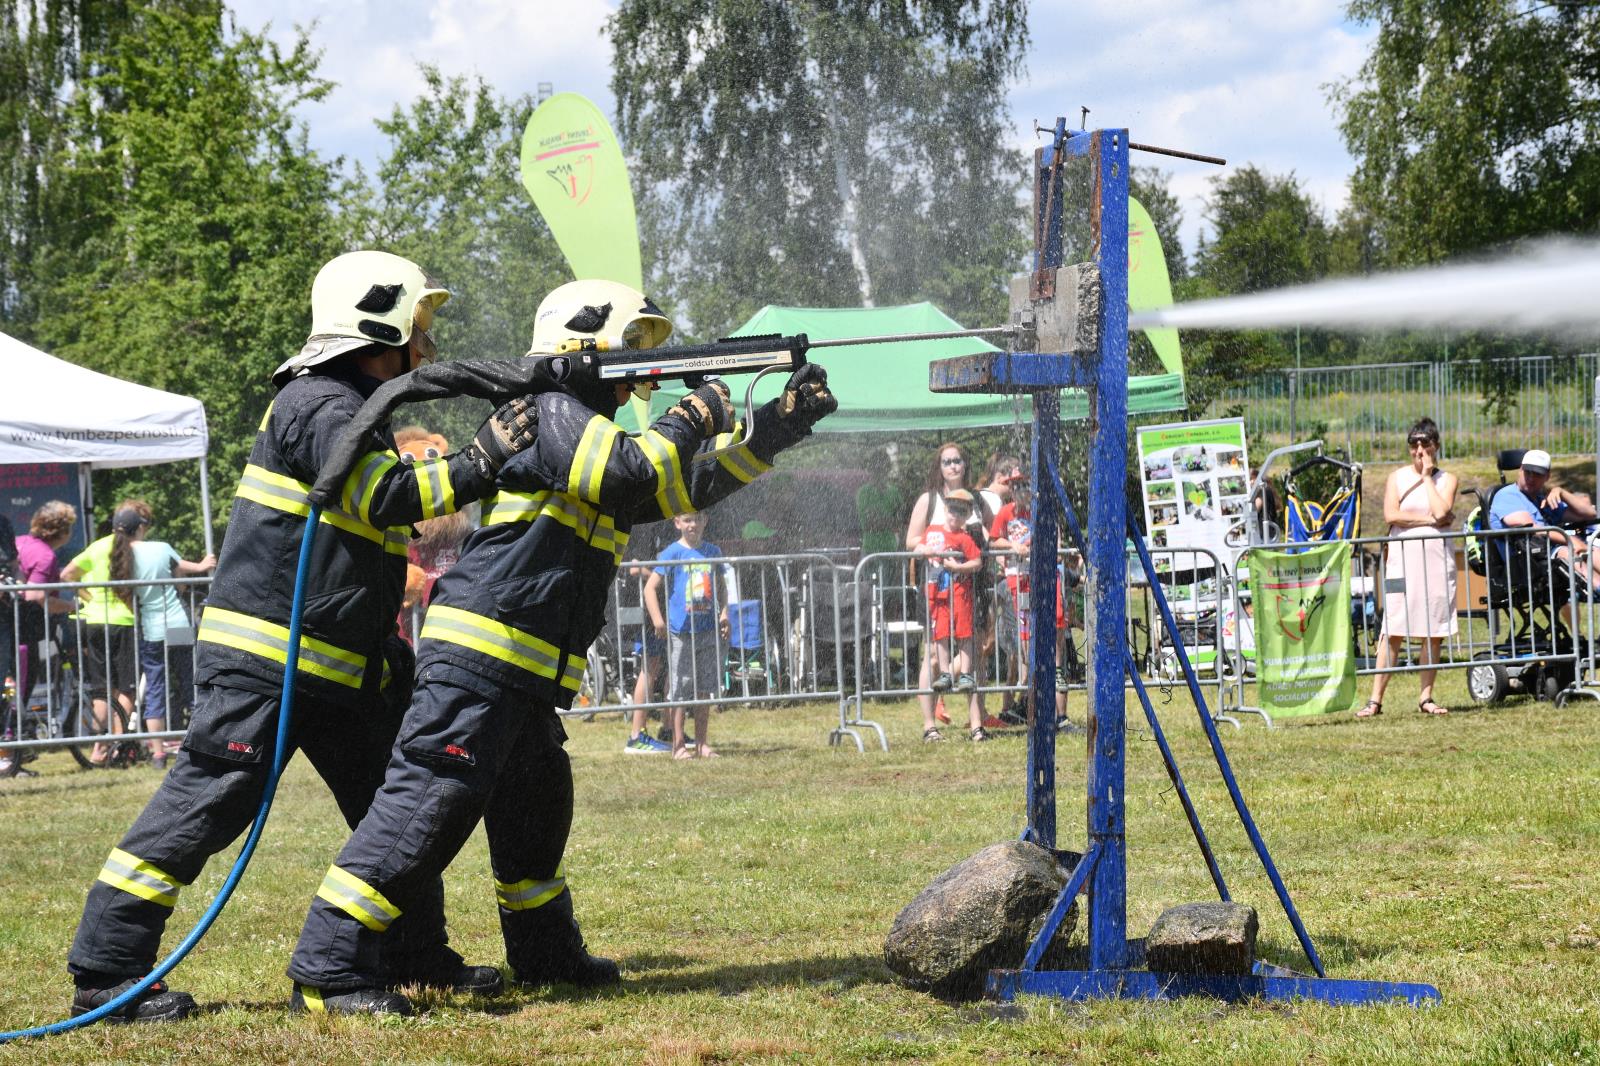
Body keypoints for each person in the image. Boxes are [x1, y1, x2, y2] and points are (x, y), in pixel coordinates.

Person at [283, 279, 837, 1016]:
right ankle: (328, 970)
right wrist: (691, 414)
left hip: (524, 670)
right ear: (582, 349)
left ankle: (544, 952)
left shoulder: (592, 431)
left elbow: (670, 493)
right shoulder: (552, 412)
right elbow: (633, 472)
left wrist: (773, 429)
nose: (645, 365)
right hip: (482, 659)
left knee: (537, 807)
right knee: (427, 808)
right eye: (632, 348)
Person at [65, 250, 546, 1023]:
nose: (424, 348)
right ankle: (107, 973)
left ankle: (413, 958)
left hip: (345, 667)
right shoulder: (316, 403)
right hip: (269, 663)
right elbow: (385, 496)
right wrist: (482, 459)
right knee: (206, 806)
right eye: (415, 328)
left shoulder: (356, 410)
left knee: (399, 818)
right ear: (375, 323)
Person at [1358, 418, 1460, 719]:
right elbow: (1392, 514)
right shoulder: (1396, 477)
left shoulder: (1447, 479)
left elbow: (1443, 510)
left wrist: (1428, 477)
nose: (1419, 449)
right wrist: (1428, 521)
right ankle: (1375, 700)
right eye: (1414, 444)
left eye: (1425, 443)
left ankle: (1426, 696)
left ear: (1436, 446)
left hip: (1436, 563)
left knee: (1433, 630)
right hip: (1401, 560)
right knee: (1393, 627)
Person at [111, 503, 216, 768]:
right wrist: (205, 564)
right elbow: (185, 568)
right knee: (190, 682)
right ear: (141, 527)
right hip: (177, 623)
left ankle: (158, 753)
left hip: (150, 627)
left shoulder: (120, 556)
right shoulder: (160, 548)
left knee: (155, 689)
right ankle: (201, 745)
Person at [904, 443, 992, 733]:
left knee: (975, 651)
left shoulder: (978, 500)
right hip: (935, 588)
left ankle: (977, 723)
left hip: (971, 585)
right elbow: (911, 540)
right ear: (939, 467)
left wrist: (982, 540)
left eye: (958, 461)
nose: (953, 466)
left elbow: (994, 535)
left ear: (965, 465)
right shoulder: (928, 500)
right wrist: (928, 548)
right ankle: (930, 725)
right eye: (947, 462)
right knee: (931, 655)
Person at [61, 499, 146, 767]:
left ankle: (99, 748)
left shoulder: (97, 546)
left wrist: (88, 599)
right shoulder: (136, 549)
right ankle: (118, 746)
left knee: (102, 689)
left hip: (95, 622)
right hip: (123, 621)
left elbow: (67, 575)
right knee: (127, 687)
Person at [0, 502, 78, 778]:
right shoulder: (45, 556)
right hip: (24, 632)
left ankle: (13, 755)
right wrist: (70, 606)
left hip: (14, 627)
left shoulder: (21, 541)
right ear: (62, 531)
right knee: (18, 696)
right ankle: (10, 757)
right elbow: (35, 595)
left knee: (11, 694)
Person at [646, 509, 729, 759]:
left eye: (697, 519)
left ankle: (702, 743)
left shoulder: (713, 552)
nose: (693, 524)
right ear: (677, 523)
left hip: (707, 630)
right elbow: (650, 588)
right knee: (680, 690)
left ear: (706, 521)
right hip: (680, 632)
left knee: (704, 689)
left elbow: (722, 587)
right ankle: (678, 744)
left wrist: (725, 613)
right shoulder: (671, 552)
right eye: (688, 520)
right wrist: (658, 620)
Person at [915, 489, 986, 742]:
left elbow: (977, 562)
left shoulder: (965, 538)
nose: (955, 515)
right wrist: (922, 549)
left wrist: (958, 566)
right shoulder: (933, 531)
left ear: (967, 515)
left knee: (965, 634)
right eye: (952, 509)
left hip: (961, 594)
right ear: (945, 509)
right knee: (940, 636)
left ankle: (964, 673)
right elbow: (919, 546)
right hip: (938, 595)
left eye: (961, 511)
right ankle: (945, 673)